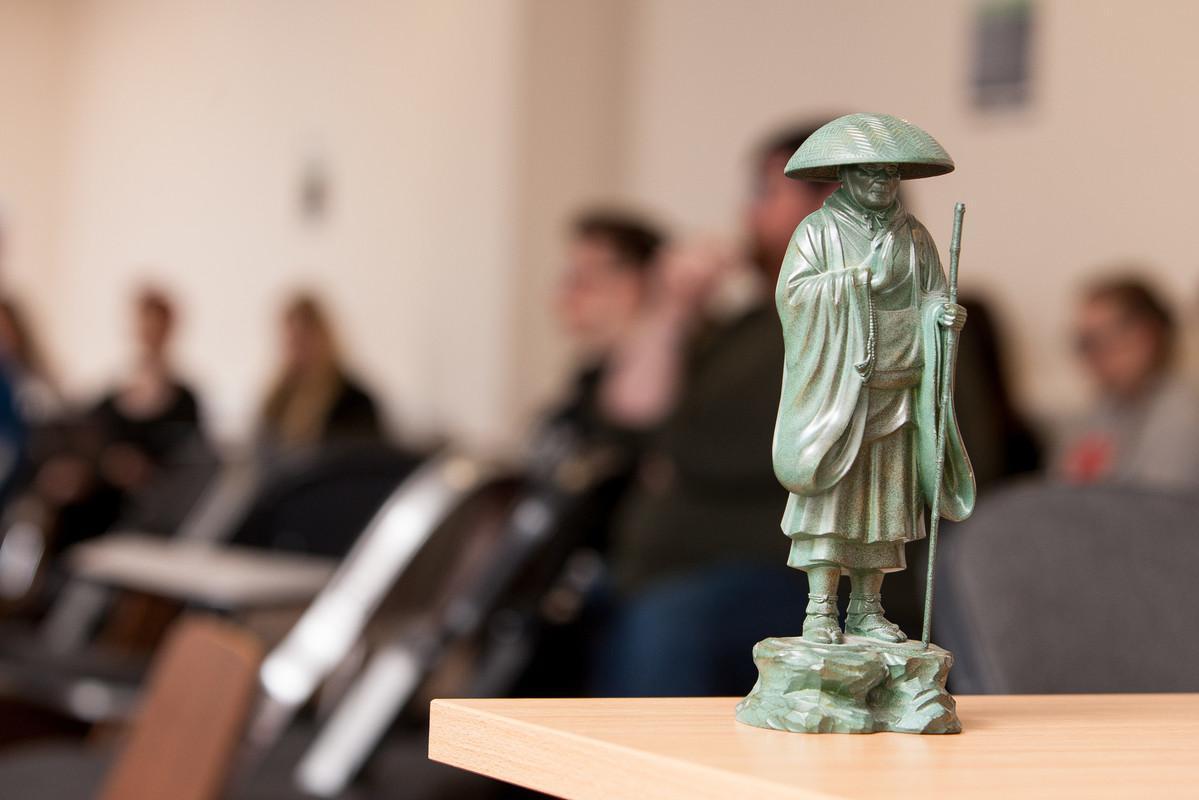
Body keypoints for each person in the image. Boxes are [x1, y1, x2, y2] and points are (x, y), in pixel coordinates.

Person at [590, 123, 839, 695]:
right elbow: (629, 416)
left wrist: (671, 453)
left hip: (795, 581)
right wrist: (673, 309)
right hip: (662, 570)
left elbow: (778, 447)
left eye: (763, 194)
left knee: (671, 622)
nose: (745, 214)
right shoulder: (748, 324)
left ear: (829, 202)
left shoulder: (869, 318)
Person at [771, 113, 974, 644]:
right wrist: (858, 282)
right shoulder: (817, 232)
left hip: (898, 387)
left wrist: (941, 315)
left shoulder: (915, 236)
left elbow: (932, 294)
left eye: (890, 174)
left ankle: (866, 607)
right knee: (833, 502)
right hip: (842, 392)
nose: (883, 183)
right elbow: (794, 298)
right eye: (870, 173)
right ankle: (820, 609)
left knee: (883, 505)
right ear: (846, 176)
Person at [1054, 276, 1199, 489]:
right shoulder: (1103, 409)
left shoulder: (1182, 414)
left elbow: (1156, 507)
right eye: (1082, 342)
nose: (1087, 357)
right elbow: (1057, 489)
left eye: (1096, 340)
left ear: (1145, 337)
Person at [257, 293, 382, 460]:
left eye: (305, 340)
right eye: (292, 342)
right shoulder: (275, 402)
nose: (298, 351)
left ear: (324, 338)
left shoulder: (355, 403)